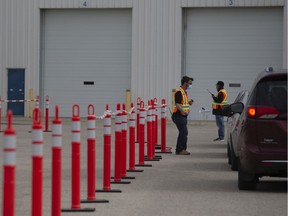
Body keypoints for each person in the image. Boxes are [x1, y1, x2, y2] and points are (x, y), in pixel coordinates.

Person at [172, 76, 194, 155]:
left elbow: (182, 103)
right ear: (185, 83)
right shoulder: (179, 92)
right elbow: (177, 104)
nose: (191, 85)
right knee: (184, 132)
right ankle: (180, 150)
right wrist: (183, 111)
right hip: (178, 115)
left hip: (183, 115)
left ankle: (180, 149)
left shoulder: (184, 92)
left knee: (183, 132)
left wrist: (189, 103)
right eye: (190, 83)